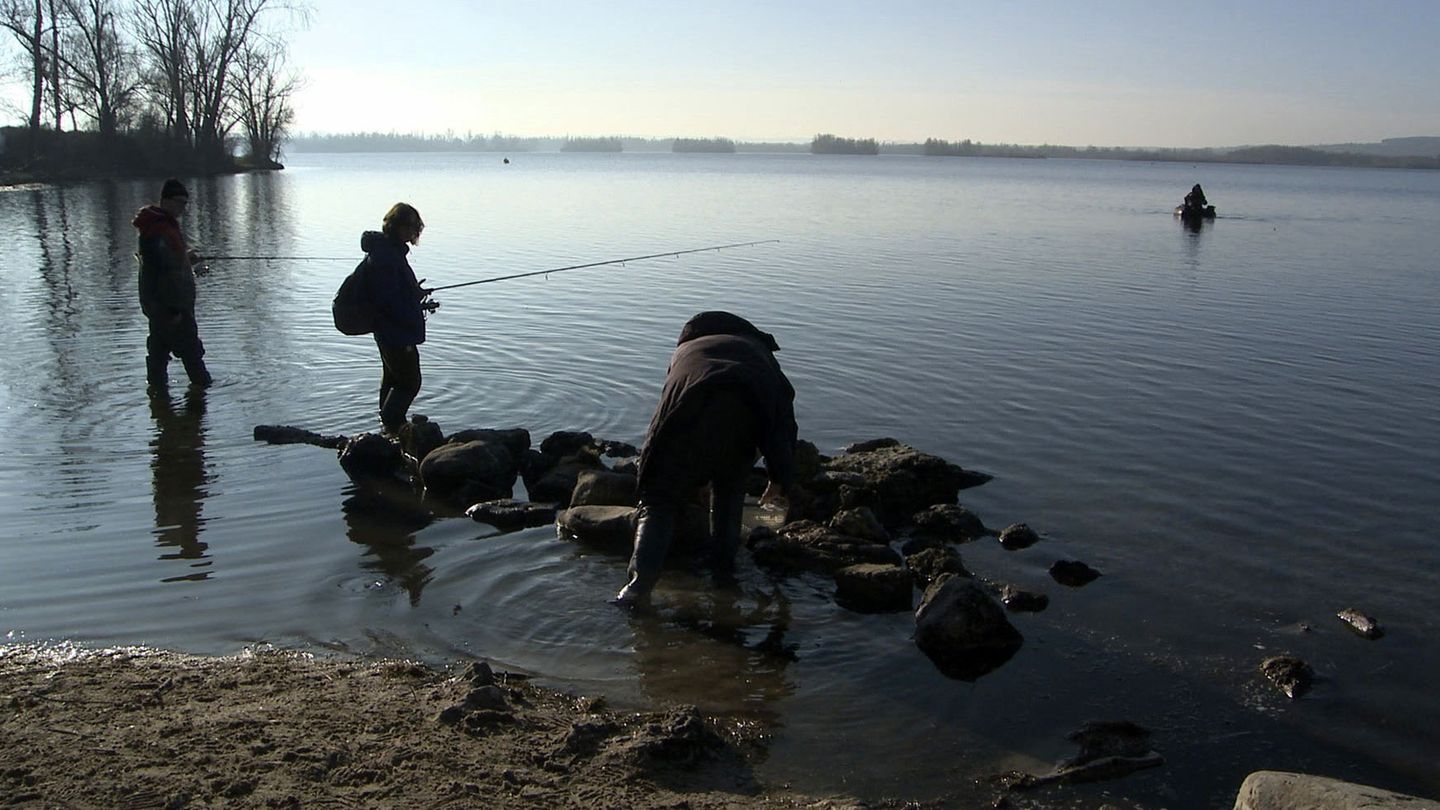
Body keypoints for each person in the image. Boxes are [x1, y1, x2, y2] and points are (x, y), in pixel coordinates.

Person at [614, 311, 799, 609]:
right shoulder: (761, 357)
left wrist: (651, 478)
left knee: (659, 503)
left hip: (688, 414)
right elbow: (782, 423)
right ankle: (724, 581)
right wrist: (779, 478)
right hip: (744, 424)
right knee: (728, 496)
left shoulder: (686, 352)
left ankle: (636, 590)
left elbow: (664, 420)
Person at [362, 202, 434, 431]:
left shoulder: (389, 251)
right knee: (410, 382)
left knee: (392, 379)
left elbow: (393, 293)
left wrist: (414, 293)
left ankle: (386, 431)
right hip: (395, 331)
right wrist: (413, 303)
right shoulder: (386, 256)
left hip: (387, 329)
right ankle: (393, 425)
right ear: (397, 226)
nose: (414, 232)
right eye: (411, 227)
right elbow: (388, 300)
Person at [134, 178, 211, 389]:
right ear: (165, 200)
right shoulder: (160, 230)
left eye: (185, 203)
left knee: (158, 357)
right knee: (194, 359)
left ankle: (159, 406)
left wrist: (185, 258)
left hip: (159, 308)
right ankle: (198, 408)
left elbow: (165, 262)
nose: (182, 208)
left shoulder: (157, 227)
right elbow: (163, 273)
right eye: (179, 202)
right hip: (173, 310)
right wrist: (174, 310)